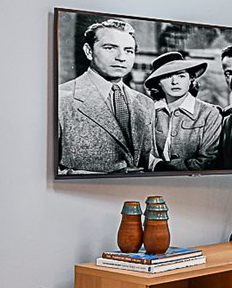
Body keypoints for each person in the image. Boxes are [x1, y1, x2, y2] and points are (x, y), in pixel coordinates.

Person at [57, 17, 156, 174]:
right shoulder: (60, 99)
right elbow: (46, 169)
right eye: (110, 48)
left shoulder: (145, 103)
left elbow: (146, 158)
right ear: (89, 51)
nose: (121, 57)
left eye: (129, 51)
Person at [143, 49, 222, 170]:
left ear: (191, 79)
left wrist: (160, 166)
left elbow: (207, 162)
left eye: (181, 76)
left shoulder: (209, 113)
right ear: (158, 82)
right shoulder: (148, 112)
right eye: (167, 76)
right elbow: (141, 154)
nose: (175, 82)